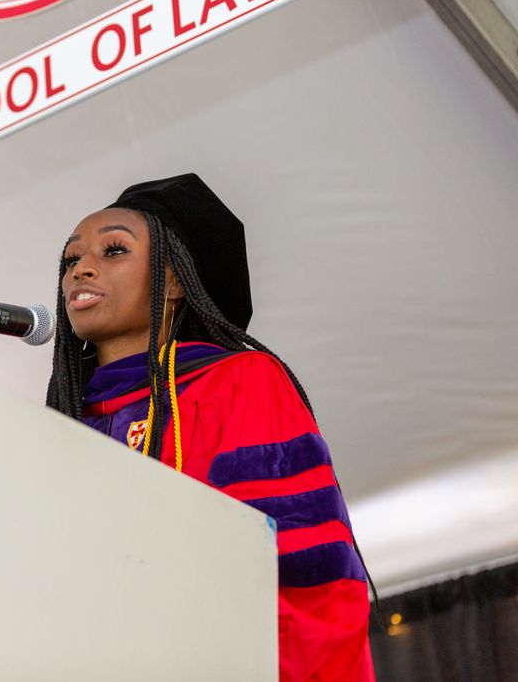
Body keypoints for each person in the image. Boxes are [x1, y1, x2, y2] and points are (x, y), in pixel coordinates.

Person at [46, 174, 376, 681]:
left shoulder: (237, 383)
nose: (81, 270)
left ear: (174, 281)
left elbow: (304, 572)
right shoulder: (62, 426)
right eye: (71, 260)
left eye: (113, 250)